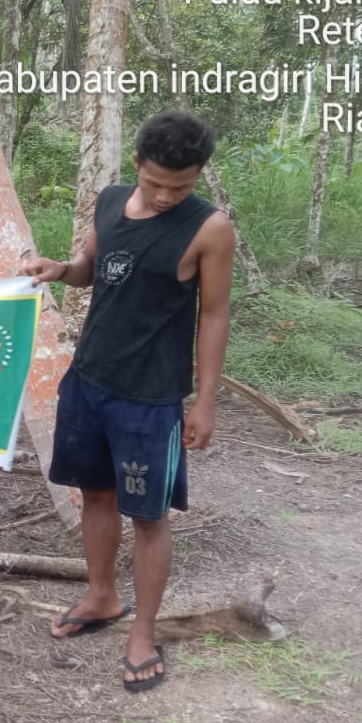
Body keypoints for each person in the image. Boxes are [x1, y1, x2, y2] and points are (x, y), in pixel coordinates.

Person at [22, 110, 235, 692]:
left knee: (147, 515)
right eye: (156, 182)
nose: (166, 196)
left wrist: (205, 401)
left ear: (198, 178)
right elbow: (93, 268)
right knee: (94, 493)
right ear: (137, 164)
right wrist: (61, 269)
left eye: (181, 186)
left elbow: (213, 315)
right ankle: (101, 596)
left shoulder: (210, 230)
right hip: (89, 380)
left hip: (152, 397)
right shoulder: (111, 200)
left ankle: (143, 630)